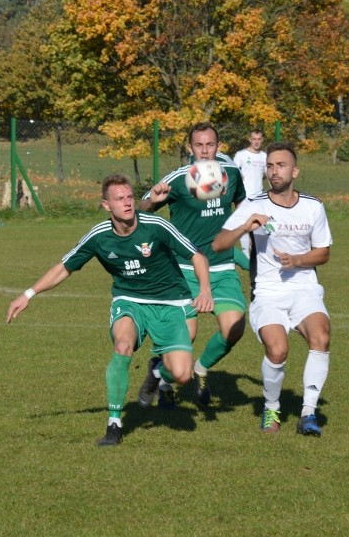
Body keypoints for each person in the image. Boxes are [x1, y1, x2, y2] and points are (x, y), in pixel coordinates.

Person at [7, 174, 214, 446]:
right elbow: (64, 267)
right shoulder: (99, 236)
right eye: (120, 199)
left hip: (171, 302)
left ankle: (156, 373)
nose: (128, 203)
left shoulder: (156, 225)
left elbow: (197, 256)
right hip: (129, 301)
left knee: (182, 375)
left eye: (130, 197)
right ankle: (114, 424)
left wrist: (205, 290)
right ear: (106, 205)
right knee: (123, 345)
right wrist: (28, 294)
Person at [212, 142, 333, 437]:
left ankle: (308, 412)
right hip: (267, 292)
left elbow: (324, 253)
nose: (273, 171)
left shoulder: (313, 206)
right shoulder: (255, 205)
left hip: (305, 289)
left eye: (280, 165)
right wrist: (245, 227)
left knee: (321, 336)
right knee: (278, 351)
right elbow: (218, 244)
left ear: (295, 171)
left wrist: (299, 260)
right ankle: (272, 406)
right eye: (269, 166)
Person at [139, 122, 247, 407]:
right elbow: (141, 211)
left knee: (234, 328)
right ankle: (162, 377)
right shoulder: (178, 178)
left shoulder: (232, 173)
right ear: (190, 148)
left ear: (219, 145)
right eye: (198, 145)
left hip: (222, 268)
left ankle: (200, 369)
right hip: (184, 269)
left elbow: (244, 207)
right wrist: (153, 199)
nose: (204, 150)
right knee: (185, 337)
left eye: (209, 144)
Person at [233, 129, 268, 258]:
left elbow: (268, 175)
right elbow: (234, 174)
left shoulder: (264, 156)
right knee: (244, 224)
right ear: (249, 139)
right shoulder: (241, 155)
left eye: (259, 139)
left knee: (260, 224)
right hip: (244, 197)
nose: (256, 142)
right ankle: (246, 254)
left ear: (262, 140)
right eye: (254, 139)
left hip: (259, 196)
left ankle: (259, 251)